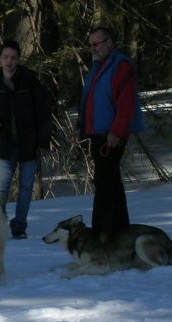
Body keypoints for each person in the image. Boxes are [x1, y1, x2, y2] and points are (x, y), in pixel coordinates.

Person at [0, 40, 53, 239]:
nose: (9, 61)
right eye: (6, 57)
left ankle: (19, 226)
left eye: (13, 57)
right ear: (0, 59)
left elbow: (44, 114)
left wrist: (44, 143)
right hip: (5, 144)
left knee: (26, 187)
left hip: (29, 142)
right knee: (0, 188)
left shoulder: (30, 82)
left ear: (19, 60)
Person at [78, 26, 145, 232]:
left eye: (96, 44)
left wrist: (116, 131)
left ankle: (102, 233)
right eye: (91, 45)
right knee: (111, 183)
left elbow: (126, 104)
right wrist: (80, 128)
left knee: (105, 183)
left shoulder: (121, 66)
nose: (93, 49)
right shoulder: (98, 67)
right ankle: (120, 230)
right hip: (98, 135)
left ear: (109, 43)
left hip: (111, 136)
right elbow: (89, 101)